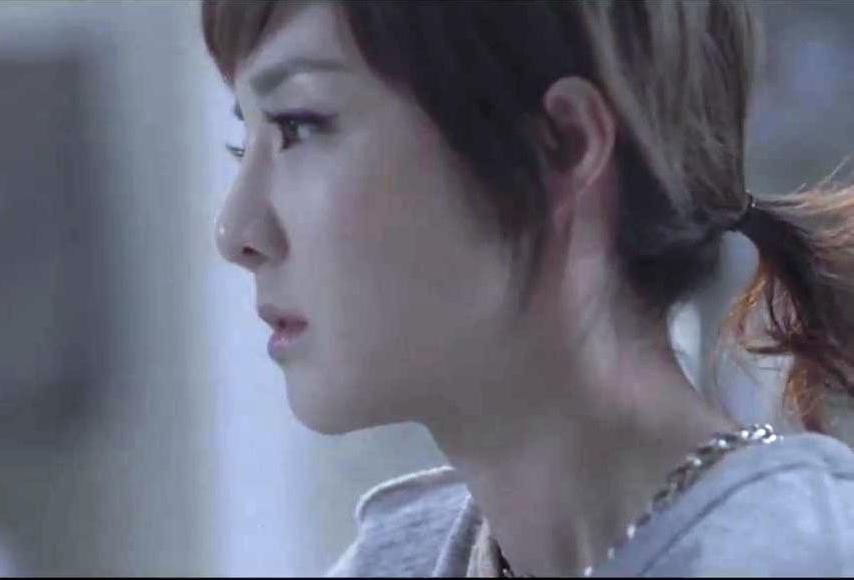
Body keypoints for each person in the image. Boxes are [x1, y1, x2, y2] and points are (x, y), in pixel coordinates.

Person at [203, 1, 854, 576]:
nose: (235, 231)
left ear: (561, 146)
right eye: (242, 144)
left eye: (298, 126)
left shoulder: (801, 557)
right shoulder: (394, 560)